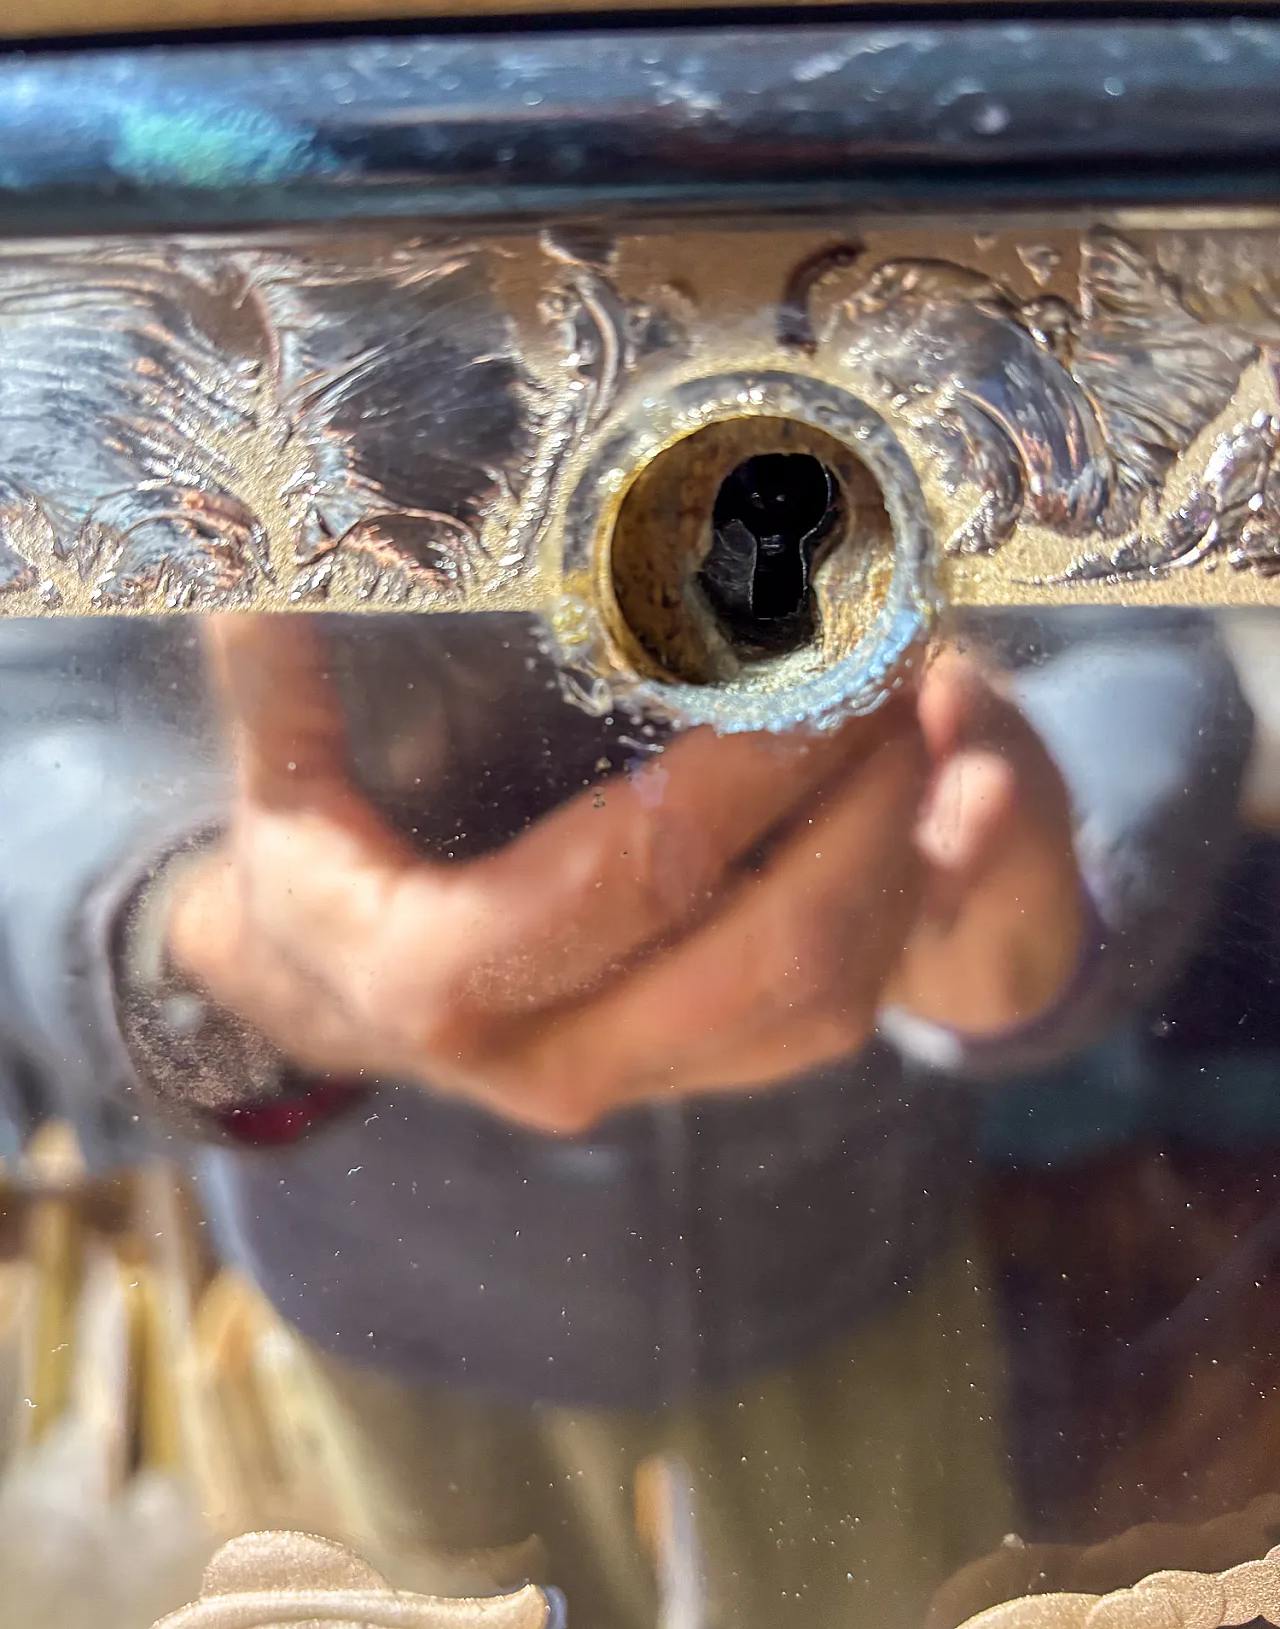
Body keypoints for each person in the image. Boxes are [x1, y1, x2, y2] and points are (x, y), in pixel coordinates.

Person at [0, 606, 1252, 1629]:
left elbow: (1133, 631)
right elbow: (31, 687)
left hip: (850, 1267)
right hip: (387, 1309)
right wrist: (189, 942)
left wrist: (1059, 880)